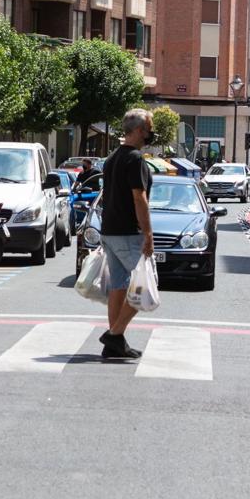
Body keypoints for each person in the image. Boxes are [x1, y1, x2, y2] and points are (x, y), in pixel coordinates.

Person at [99, 109, 156, 360]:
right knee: (145, 287)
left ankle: (115, 342)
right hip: (128, 232)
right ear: (137, 130)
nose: (150, 134)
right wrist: (148, 233)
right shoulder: (135, 159)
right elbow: (138, 197)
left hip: (110, 230)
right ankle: (114, 334)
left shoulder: (112, 158)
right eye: (148, 129)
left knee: (119, 286)